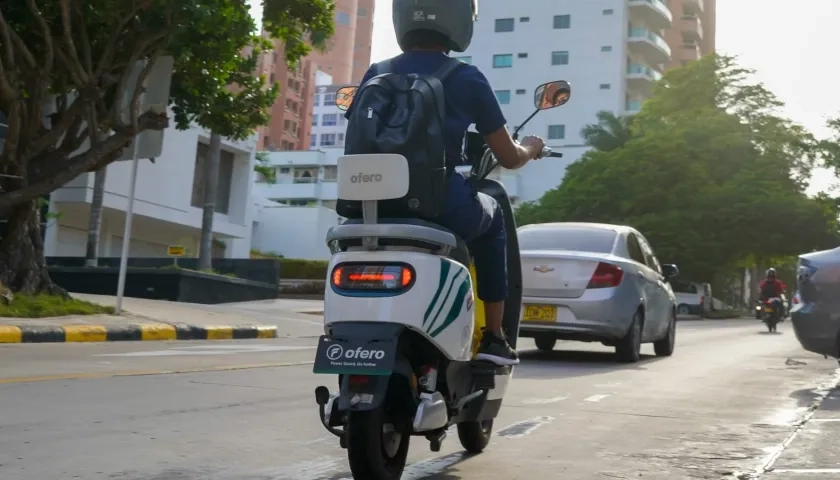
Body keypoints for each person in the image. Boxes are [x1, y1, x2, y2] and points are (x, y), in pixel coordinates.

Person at [345, 0, 545, 366]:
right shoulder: (464, 77)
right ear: (459, 22)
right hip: (440, 203)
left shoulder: (377, 71)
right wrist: (532, 148)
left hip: (368, 203)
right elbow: (508, 157)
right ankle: (495, 338)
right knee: (494, 217)